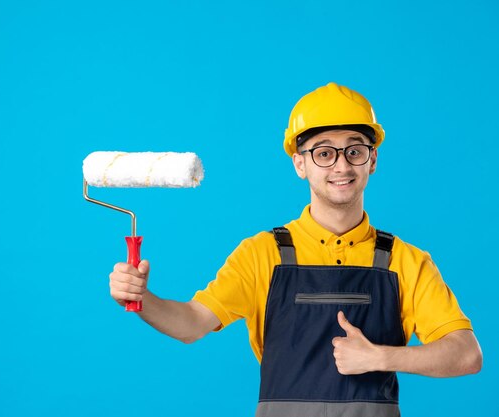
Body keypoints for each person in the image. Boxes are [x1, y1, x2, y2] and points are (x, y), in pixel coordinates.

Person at [108, 82, 482, 417]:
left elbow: (466, 353)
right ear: (299, 163)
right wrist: (143, 298)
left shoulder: (405, 261)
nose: (341, 165)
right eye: (323, 153)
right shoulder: (262, 254)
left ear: (373, 160)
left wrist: (382, 356)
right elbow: (192, 324)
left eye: (355, 150)